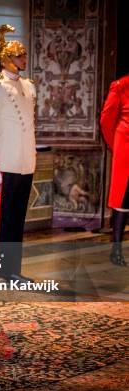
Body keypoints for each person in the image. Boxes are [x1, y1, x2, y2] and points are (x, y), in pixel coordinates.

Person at [0, 24, 36, 284]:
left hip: (24, 163)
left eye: (24, 55)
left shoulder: (27, 86)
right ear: (5, 59)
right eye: (19, 55)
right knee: (1, 221)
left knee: (17, 220)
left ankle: (13, 270)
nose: (24, 59)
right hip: (3, 164)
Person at [100, 74, 129, 266]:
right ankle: (116, 249)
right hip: (126, 148)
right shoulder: (120, 86)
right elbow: (106, 121)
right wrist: (117, 146)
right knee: (123, 199)